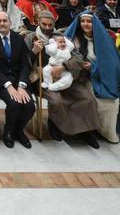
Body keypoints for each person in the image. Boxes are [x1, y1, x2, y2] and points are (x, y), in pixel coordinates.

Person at [26, 10, 101, 147]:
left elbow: (78, 58)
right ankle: (55, 125)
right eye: (44, 24)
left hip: (67, 76)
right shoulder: (31, 37)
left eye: (50, 25)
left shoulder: (61, 37)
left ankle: (86, 131)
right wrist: (34, 52)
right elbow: (23, 62)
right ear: (38, 22)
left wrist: (64, 67)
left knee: (87, 98)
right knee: (57, 100)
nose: (48, 28)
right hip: (44, 80)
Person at [65, 11, 120, 143]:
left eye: (89, 21)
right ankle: (90, 129)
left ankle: (107, 131)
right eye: (82, 21)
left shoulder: (103, 39)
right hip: (81, 77)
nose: (85, 24)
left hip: (101, 77)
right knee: (92, 99)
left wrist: (94, 68)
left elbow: (112, 63)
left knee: (112, 101)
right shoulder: (74, 39)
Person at [0, 11, 34, 148]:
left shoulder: (18, 39)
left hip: (18, 79)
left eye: (5, 21)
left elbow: (24, 64)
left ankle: (19, 130)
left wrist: (22, 86)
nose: (2, 23)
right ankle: (8, 131)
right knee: (14, 104)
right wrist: (8, 85)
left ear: (10, 22)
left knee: (29, 106)